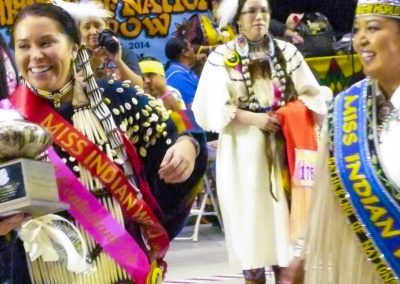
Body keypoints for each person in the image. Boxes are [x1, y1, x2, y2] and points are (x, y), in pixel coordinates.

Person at [8, 3, 207, 283]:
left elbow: (181, 119)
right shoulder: (9, 122)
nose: (36, 55)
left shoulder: (116, 99)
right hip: (37, 269)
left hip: (119, 266)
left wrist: (189, 143)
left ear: (74, 48)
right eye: (24, 46)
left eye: (46, 42)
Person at [192, 0, 330, 283]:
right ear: (238, 19)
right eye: (251, 11)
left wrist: (289, 114)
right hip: (243, 154)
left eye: (264, 10)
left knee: (285, 233)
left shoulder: (288, 52)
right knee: (250, 228)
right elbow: (209, 106)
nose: (259, 17)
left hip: (283, 151)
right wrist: (254, 119)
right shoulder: (222, 56)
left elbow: (315, 96)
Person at [289, 0, 400, 283]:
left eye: (373, 28)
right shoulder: (346, 108)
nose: (361, 39)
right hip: (366, 267)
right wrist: (303, 255)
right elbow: (324, 193)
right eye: (357, 29)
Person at [53, 0, 144, 88]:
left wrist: (118, 60)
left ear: (106, 26)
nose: (93, 31)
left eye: (97, 25)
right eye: (87, 27)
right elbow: (68, 89)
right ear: (79, 31)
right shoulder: (73, 56)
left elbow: (138, 87)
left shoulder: (123, 52)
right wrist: (92, 65)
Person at [165, 37, 200, 109]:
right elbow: (193, 109)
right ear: (185, 52)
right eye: (191, 47)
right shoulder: (178, 77)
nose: (193, 50)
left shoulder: (182, 71)